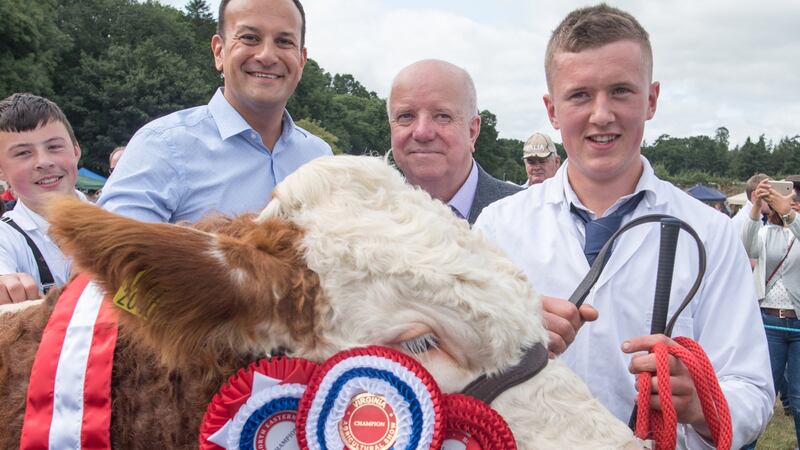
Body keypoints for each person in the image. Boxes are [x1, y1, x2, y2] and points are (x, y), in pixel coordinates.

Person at [474, 5, 772, 448]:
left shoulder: (710, 233)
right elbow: (460, 371)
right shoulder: (498, 227)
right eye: (579, 95)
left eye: (620, 91)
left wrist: (699, 401)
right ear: (552, 109)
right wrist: (507, 342)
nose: (601, 114)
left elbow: (752, 389)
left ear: (651, 99)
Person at [98, 0, 332, 223]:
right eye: (250, 38)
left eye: (284, 41)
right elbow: (106, 257)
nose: (267, 56)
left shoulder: (319, 157)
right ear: (219, 51)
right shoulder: (162, 147)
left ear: (301, 60)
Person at [387, 59, 521, 225]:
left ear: (472, 131)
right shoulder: (365, 220)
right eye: (406, 116)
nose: (422, 132)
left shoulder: (527, 215)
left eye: (442, 116)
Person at [0, 93, 85, 304]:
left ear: (76, 151)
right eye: (23, 153)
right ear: (1, 170)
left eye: (54, 147)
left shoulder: (120, 216)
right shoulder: (5, 239)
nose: (44, 162)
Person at [742, 178, 800, 448]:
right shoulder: (767, 232)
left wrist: (790, 214)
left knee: (799, 400)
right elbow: (747, 245)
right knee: (762, 394)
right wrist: (755, 208)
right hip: (769, 320)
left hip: (797, 323)